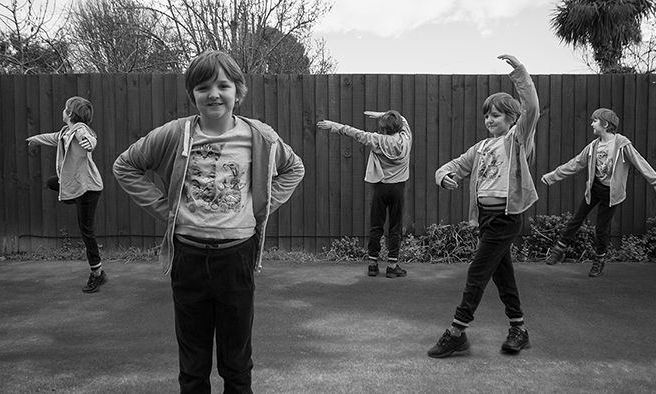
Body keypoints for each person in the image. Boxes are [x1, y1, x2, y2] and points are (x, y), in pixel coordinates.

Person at [113, 49, 304, 393]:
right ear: (192, 95)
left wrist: (258, 207)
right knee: (193, 363)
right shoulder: (174, 134)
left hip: (236, 257)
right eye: (202, 87)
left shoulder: (261, 137)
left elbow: (294, 168)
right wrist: (165, 210)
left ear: (238, 91)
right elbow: (125, 166)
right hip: (189, 258)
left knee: (237, 361)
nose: (213, 94)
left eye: (223, 85)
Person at [427, 54, 539, 358]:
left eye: (497, 116)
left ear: (512, 120)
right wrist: (444, 176)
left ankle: (456, 332)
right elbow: (454, 165)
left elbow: (532, 108)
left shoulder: (517, 139)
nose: (490, 120)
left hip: (506, 217)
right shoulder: (481, 147)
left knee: (477, 271)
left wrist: (519, 73)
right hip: (486, 219)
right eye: (487, 115)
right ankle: (519, 329)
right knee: (503, 276)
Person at [541, 108, 656, 277]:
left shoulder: (622, 144)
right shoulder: (593, 146)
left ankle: (599, 260)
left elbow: (640, 162)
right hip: (594, 189)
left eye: (594, 121)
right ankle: (559, 249)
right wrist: (552, 176)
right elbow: (575, 163)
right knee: (575, 219)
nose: (591, 123)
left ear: (605, 124)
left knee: (601, 229)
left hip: (611, 193)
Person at [317, 110, 412, 278]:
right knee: (395, 227)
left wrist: (334, 126)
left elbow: (355, 133)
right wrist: (386, 114)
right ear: (398, 126)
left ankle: (373, 265)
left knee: (376, 226)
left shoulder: (376, 140)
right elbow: (403, 121)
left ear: (383, 128)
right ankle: (392, 266)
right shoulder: (406, 139)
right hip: (398, 189)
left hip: (380, 187)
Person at [26, 96, 105, 293]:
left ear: (70, 114)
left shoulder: (79, 129)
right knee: (52, 182)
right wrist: (35, 139)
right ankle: (71, 196)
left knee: (86, 231)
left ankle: (97, 274)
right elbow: (52, 137)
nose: (63, 110)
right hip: (78, 186)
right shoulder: (65, 132)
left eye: (65, 108)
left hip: (89, 189)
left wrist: (89, 143)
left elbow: (90, 138)